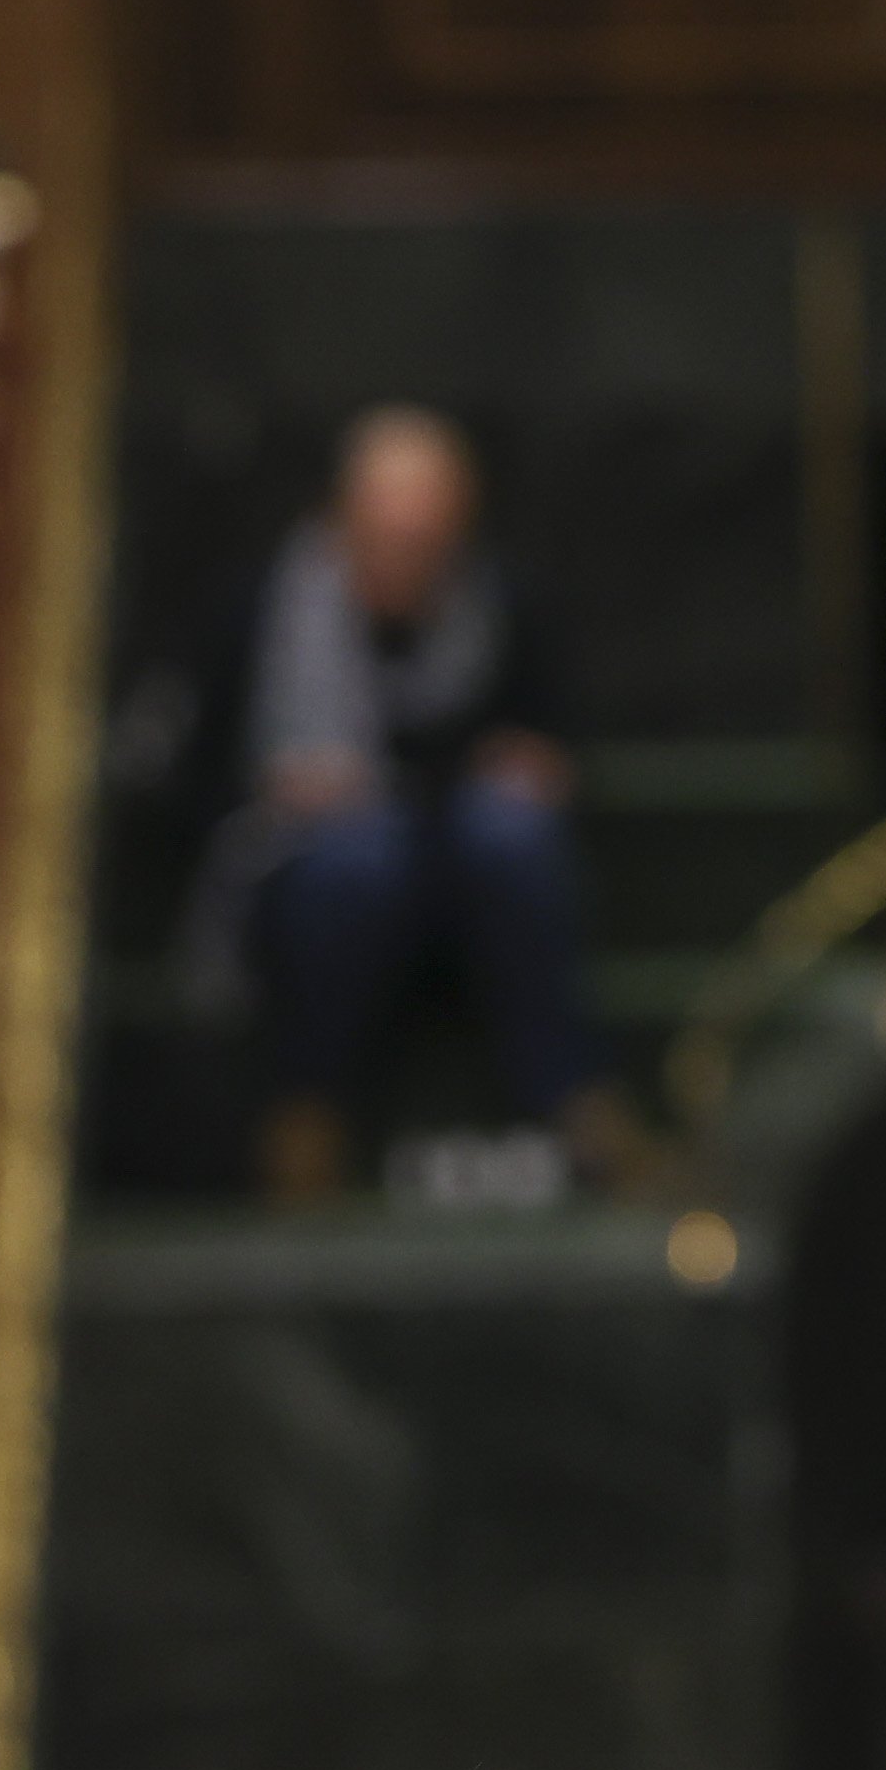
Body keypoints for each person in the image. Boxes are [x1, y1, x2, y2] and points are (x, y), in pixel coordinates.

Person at [234, 408, 609, 1205]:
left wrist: (536, 767)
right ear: (344, 517)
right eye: (387, 533)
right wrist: (281, 789)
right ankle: (306, 1113)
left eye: (426, 537)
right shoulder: (271, 609)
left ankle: (576, 1105)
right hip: (327, 889)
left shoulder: (507, 603)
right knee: (354, 856)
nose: (407, 553)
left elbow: (561, 739)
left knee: (510, 834)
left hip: (466, 879)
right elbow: (203, 770)